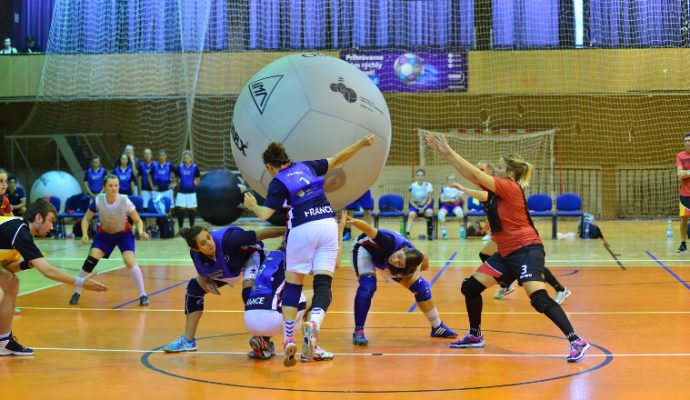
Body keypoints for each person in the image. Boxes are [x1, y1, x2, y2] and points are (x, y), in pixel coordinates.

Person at [425, 131, 590, 363]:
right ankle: (475, 335)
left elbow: (472, 172)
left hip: (526, 249)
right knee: (470, 287)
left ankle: (577, 340)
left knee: (539, 299)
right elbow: (469, 174)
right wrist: (446, 155)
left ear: (509, 173)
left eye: (500, 168)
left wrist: (448, 151)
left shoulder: (510, 188)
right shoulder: (494, 193)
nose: (495, 170)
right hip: (505, 253)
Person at [243, 134, 375, 367]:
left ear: (270, 166)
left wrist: (252, 205)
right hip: (328, 224)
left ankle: (287, 340)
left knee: (294, 285)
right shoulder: (306, 166)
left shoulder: (278, 181)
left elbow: (265, 215)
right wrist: (362, 144)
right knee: (323, 285)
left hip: (302, 227)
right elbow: (338, 158)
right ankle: (313, 326)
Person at [0, 199, 107, 355]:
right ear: (38, 218)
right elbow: (47, 271)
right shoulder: (19, 231)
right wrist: (80, 282)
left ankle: (3, 341)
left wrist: (26, 264)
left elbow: (8, 267)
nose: (52, 226)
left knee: (11, 281)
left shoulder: (20, 233)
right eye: (50, 221)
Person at [161, 224, 285, 353]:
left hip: (251, 257)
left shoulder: (230, 239)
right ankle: (188, 341)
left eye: (209, 237)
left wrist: (288, 230)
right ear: (196, 249)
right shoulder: (196, 256)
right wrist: (206, 280)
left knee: (249, 294)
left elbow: (261, 234)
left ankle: (265, 341)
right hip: (230, 267)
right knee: (194, 287)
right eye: (203, 243)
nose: (209, 243)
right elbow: (204, 273)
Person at [453, 179, 572, 304]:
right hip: (502, 233)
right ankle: (505, 283)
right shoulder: (489, 188)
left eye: (482, 169)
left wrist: (464, 189)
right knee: (486, 254)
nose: (479, 172)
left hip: (513, 233)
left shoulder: (495, 186)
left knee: (525, 262)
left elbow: (485, 196)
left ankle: (560, 289)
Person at [347, 214, 457, 346]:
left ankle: (437, 327)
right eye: (398, 256)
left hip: (385, 261)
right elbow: (369, 229)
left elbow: (422, 255)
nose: (395, 260)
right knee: (368, 287)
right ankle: (358, 331)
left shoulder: (410, 257)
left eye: (399, 263)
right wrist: (351, 221)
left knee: (421, 287)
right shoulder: (387, 241)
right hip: (365, 249)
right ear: (403, 250)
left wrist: (425, 263)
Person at [68, 174, 149, 306]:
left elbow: (138, 220)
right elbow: (86, 219)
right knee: (90, 262)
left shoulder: (125, 201)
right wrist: (84, 234)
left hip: (123, 235)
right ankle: (77, 292)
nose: (114, 188)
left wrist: (141, 232)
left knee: (129, 261)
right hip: (104, 235)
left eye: (116, 185)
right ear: (105, 187)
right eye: (110, 186)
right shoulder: (98, 200)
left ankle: (143, 295)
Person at [173, 150, 200, 230]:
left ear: (191, 159)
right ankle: (180, 228)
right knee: (180, 211)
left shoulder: (195, 167)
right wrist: (177, 186)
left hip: (191, 192)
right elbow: (177, 178)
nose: (186, 160)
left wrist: (195, 185)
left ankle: (192, 228)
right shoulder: (180, 167)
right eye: (184, 158)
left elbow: (198, 178)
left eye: (187, 158)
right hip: (181, 192)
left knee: (192, 211)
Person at [406, 168, 434, 240]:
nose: (420, 177)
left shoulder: (428, 185)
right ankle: (407, 234)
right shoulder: (412, 186)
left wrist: (424, 207)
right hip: (415, 206)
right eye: (418, 175)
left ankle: (430, 234)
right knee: (411, 214)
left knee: (429, 212)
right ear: (416, 177)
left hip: (425, 206)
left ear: (424, 177)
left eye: (422, 176)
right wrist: (418, 208)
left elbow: (430, 199)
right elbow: (410, 200)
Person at [437, 174, 465, 239]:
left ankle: (462, 229)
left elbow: (463, 203)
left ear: (456, 181)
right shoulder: (443, 189)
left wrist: (460, 197)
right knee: (440, 214)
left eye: (453, 180)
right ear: (447, 181)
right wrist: (448, 200)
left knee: (460, 213)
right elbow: (441, 200)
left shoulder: (459, 189)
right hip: (446, 206)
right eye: (450, 180)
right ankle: (444, 232)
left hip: (456, 206)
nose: (451, 182)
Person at [675, 132, 690, 253]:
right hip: (685, 194)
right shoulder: (680, 156)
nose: (687, 143)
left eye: (689, 140)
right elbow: (679, 175)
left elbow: (683, 173)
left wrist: (686, 172)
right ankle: (683, 244)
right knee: (683, 219)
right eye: (685, 141)